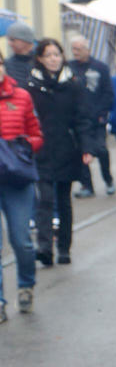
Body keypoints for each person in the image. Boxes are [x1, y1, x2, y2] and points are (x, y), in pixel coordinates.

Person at [25, 39, 93, 267]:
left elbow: (82, 118)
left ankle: (64, 248)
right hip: (42, 149)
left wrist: (87, 147)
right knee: (44, 199)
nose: (54, 59)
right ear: (40, 59)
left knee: (63, 201)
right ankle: (45, 248)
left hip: (67, 148)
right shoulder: (32, 86)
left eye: (57, 54)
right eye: (49, 55)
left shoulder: (73, 84)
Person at [0, 67, 43, 323]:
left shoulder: (22, 96)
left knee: (21, 239)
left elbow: (36, 134)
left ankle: (26, 284)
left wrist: (23, 147)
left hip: (17, 179)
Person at [68, 36, 115, 197]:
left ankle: (108, 180)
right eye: (73, 49)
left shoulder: (100, 67)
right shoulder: (69, 67)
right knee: (81, 152)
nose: (75, 52)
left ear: (87, 50)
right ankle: (87, 185)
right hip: (78, 119)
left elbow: (108, 93)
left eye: (78, 49)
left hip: (97, 118)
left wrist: (101, 113)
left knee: (101, 150)